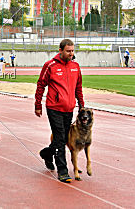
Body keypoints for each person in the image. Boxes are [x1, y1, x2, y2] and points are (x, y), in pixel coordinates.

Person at [35, 39, 84, 183]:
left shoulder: (75, 66)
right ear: (61, 50)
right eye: (68, 51)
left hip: (69, 108)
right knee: (60, 138)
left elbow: (78, 87)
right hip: (54, 108)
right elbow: (40, 85)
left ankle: (46, 153)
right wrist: (37, 104)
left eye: (73, 51)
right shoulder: (50, 65)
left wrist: (81, 105)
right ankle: (62, 170)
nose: (71, 54)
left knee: (60, 138)